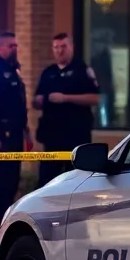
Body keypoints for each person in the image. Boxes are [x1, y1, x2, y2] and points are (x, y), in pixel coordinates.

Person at [0, 31, 32, 255]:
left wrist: (27, 134)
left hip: (16, 134)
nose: (14, 49)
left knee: (11, 186)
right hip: (3, 135)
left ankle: (3, 237)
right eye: (10, 46)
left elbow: (20, 106)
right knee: (0, 189)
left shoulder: (13, 70)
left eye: (16, 45)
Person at [33, 33, 100, 187]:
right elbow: (36, 101)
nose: (59, 51)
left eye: (63, 47)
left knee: (76, 181)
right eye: (56, 47)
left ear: (71, 48)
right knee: (47, 182)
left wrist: (65, 98)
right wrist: (39, 100)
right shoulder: (48, 73)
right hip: (52, 138)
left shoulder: (82, 70)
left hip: (76, 136)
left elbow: (95, 98)